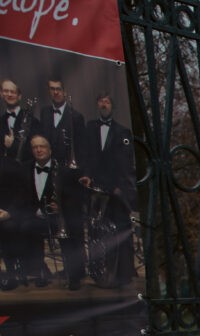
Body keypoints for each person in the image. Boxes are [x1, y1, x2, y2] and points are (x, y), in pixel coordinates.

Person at [8, 134, 86, 289]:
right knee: (24, 228)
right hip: (35, 217)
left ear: (50, 150)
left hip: (57, 218)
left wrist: (61, 206)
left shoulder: (63, 171)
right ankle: (39, 272)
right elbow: (20, 196)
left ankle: (73, 276)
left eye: (41, 146)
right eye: (34, 147)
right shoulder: (25, 169)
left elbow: (73, 198)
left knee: (70, 233)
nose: (38, 150)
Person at [80, 91, 136, 287]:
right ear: (97, 105)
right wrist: (86, 174)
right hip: (95, 188)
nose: (104, 104)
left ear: (112, 106)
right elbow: (86, 155)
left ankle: (125, 274)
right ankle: (100, 275)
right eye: (101, 101)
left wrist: (119, 187)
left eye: (107, 101)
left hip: (116, 190)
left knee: (121, 229)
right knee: (97, 231)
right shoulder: (90, 127)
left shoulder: (123, 132)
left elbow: (125, 164)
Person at [39, 76, 86, 168]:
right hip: (47, 166)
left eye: (58, 89)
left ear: (64, 92)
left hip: (67, 168)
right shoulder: (44, 112)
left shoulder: (77, 117)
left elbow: (82, 149)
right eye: (52, 89)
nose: (55, 92)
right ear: (49, 91)